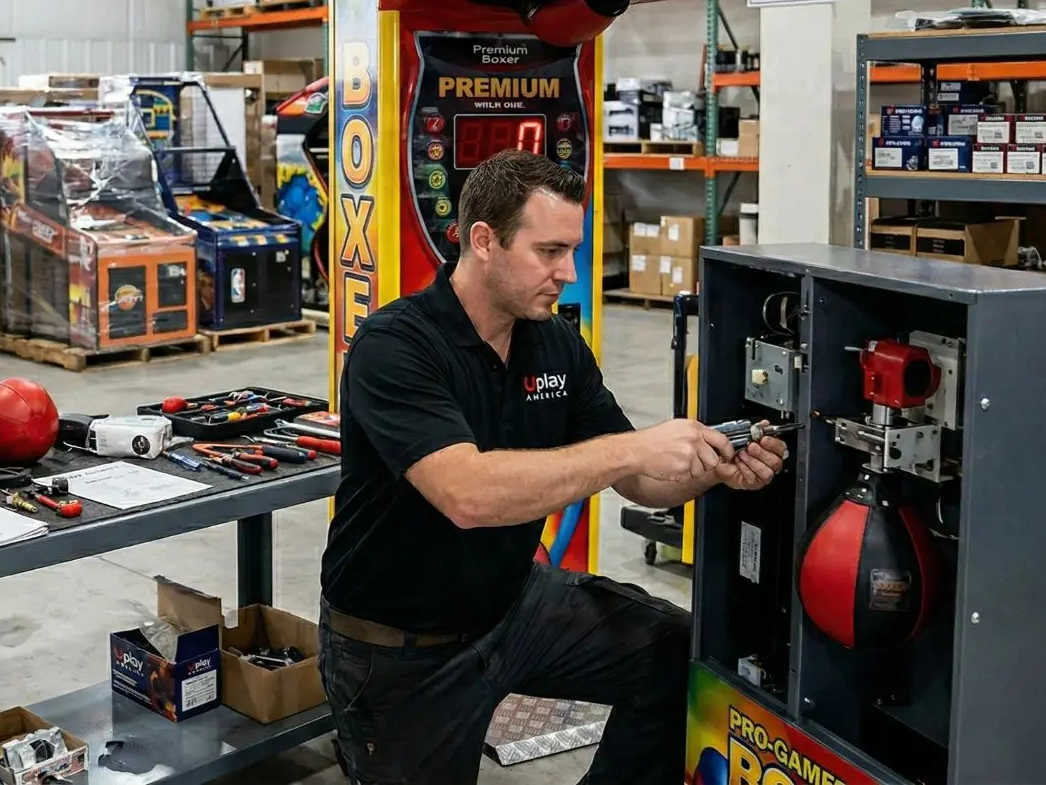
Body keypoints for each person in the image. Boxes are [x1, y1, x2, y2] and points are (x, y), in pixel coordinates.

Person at [318, 149, 786, 785]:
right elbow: (467, 496)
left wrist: (713, 467)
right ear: (484, 240)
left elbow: (640, 482)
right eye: (549, 252)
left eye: (573, 249)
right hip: (402, 646)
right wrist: (633, 448)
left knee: (680, 656)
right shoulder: (395, 347)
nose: (569, 271)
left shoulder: (553, 341)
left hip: (511, 606)